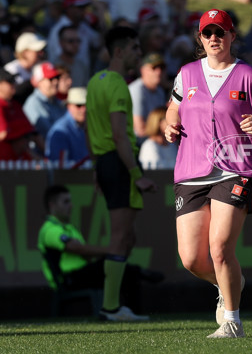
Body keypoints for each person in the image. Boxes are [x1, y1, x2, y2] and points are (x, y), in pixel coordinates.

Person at [164, 9, 252, 338]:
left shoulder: (249, 76)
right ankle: (230, 282)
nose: (214, 38)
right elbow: (172, 109)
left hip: (236, 168)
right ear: (200, 39)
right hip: (191, 170)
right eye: (208, 33)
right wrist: (168, 125)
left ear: (232, 36)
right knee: (190, 258)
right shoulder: (186, 74)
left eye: (221, 32)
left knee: (219, 248)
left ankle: (232, 320)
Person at [85, 26, 157, 321]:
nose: (139, 54)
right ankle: (111, 307)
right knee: (120, 236)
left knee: (126, 236)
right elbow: (119, 134)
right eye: (135, 49)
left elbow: (92, 132)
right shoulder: (117, 84)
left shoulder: (94, 82)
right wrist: (136, 173)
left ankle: (114, 305)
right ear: (119, 51)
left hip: (105, 162)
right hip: (119, 161)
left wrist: (96, 170)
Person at [38, 185, 164, 314]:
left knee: (120, 270)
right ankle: (136, 285)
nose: (71, 206)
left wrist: (106, 253)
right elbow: (77, 248)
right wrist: (112, 250)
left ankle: (129, 311)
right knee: (113, 266)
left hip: (81, 274)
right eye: (65, 202)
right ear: (52, 205)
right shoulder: (49, 229)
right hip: (67, 279)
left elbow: (84, 254)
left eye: (70, 201)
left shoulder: (70, 228)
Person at [0, 68, 44, 160]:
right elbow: (3, 134)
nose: (14, 84)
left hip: (19, 156)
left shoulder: (15, 104)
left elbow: (32, 132)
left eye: (14, 81)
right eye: (9, 81)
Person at [45, 87, 89, 166]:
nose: (83, 109)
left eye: (86, 105)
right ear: (69, 106)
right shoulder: (60, 132)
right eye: (79, 105)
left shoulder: (83, 126)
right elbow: (60, 169)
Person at [128, 53, 168, 139]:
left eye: (162, 68)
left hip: (154, 140)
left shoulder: (160, 91)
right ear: (143, 70)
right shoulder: (136, 90)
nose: (159, 71)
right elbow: (140, 130)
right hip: (137, 145)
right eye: (154, 68)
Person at [23, 62, 66, 139]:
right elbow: (49, 133)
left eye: (57, 77)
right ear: (39, 82)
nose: (55, 82)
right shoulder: (33, 103)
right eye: (51, 79)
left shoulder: (57, 101)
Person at [3, 32, 46, 104]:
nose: (41, 53)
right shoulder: (10, 70)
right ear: (25, 52)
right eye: (37, 51)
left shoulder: (38, 68)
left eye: (41, 51)